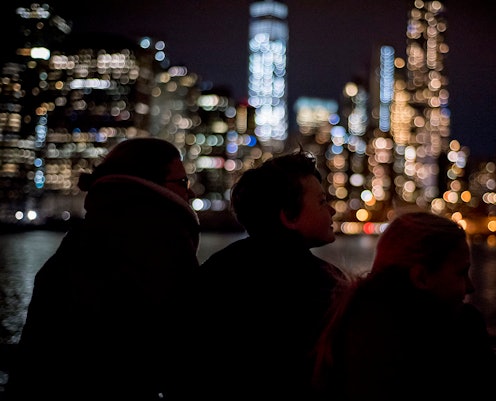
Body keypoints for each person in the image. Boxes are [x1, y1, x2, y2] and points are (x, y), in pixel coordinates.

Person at [5, 137, 202, 401]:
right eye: (182, 182)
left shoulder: (77, 244)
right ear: (153, 186)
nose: (190, 192)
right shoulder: (161, 248)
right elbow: (182, 349)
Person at [197, 149, 350, 400]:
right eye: (322, 202)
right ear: (288, 216)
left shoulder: (217, 269)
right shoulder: (321, 285)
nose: (331, 211)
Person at [312, 211, 496, 400]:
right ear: (421, 277)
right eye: (461, 273)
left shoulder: (346, 325)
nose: (470, 287)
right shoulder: (457, 333)